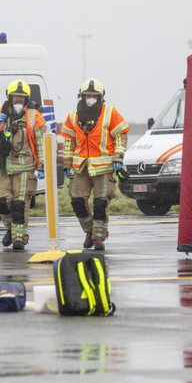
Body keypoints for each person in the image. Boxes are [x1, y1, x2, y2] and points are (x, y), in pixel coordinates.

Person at [61, 78, 130, 252]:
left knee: (100, 203)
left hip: (104, 167)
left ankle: (98, 238)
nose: (90, 98)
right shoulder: (73, 115)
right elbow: (69, 140)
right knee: (77, 201)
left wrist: (118, 158)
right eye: (87, 95)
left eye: (93, 96)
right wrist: (67, 163)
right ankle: (89, 231)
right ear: (81, 97)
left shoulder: (110, 113)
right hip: (81, 166)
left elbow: (121, 135)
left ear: (100, 97)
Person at [0, 80, 47, 251]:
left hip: (25, 168)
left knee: (19, 204)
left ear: (26, 99)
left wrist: (42, 166)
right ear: (10, 98)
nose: (18, 102)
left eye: (22, 99)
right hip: (3, 167)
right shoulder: (1, 113)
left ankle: (19, 238)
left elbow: (41, 143)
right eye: (16, 98)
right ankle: (10, 229)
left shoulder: (34, 116)